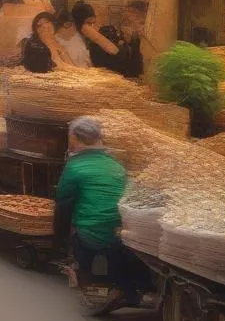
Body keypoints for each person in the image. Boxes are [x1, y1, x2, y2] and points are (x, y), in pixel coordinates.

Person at [53, 116, 151, 306]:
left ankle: (86, 274)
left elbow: (63, 203)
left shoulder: (74, 167)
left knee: (80, 234)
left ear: (74, 139)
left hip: (92, 235)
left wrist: (58, 239)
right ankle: (129, 287)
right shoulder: (116, 166)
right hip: (122, 234)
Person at [71, 2, 120, 66]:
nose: (92, 27)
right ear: (78, 23)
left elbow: (115, 51)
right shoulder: (73, 42)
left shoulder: (90, 39)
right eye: (88, 23)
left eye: (93, 23)